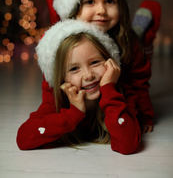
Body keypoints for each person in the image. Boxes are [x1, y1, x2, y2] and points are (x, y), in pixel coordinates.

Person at [42, 0, 161, 133]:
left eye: (110, 1)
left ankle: (140, 27)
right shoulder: (63, 42)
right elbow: (50, 84)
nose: (101, 11)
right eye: (90, 2)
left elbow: (139, 82)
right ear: (74, 8)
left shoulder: (128, 43)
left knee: (138, 41)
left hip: (127, 40)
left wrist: (145, 115)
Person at [17, 19, 141, 155]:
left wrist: (109, 90)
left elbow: (127, 145)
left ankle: (140, 29)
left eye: (94, 62)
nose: (88, 75)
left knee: (137, 42)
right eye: (74, 68)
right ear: (61, 79)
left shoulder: (122, 92)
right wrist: (73, 113)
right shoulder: (55, 99)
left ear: (110, 62)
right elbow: (23, 139)